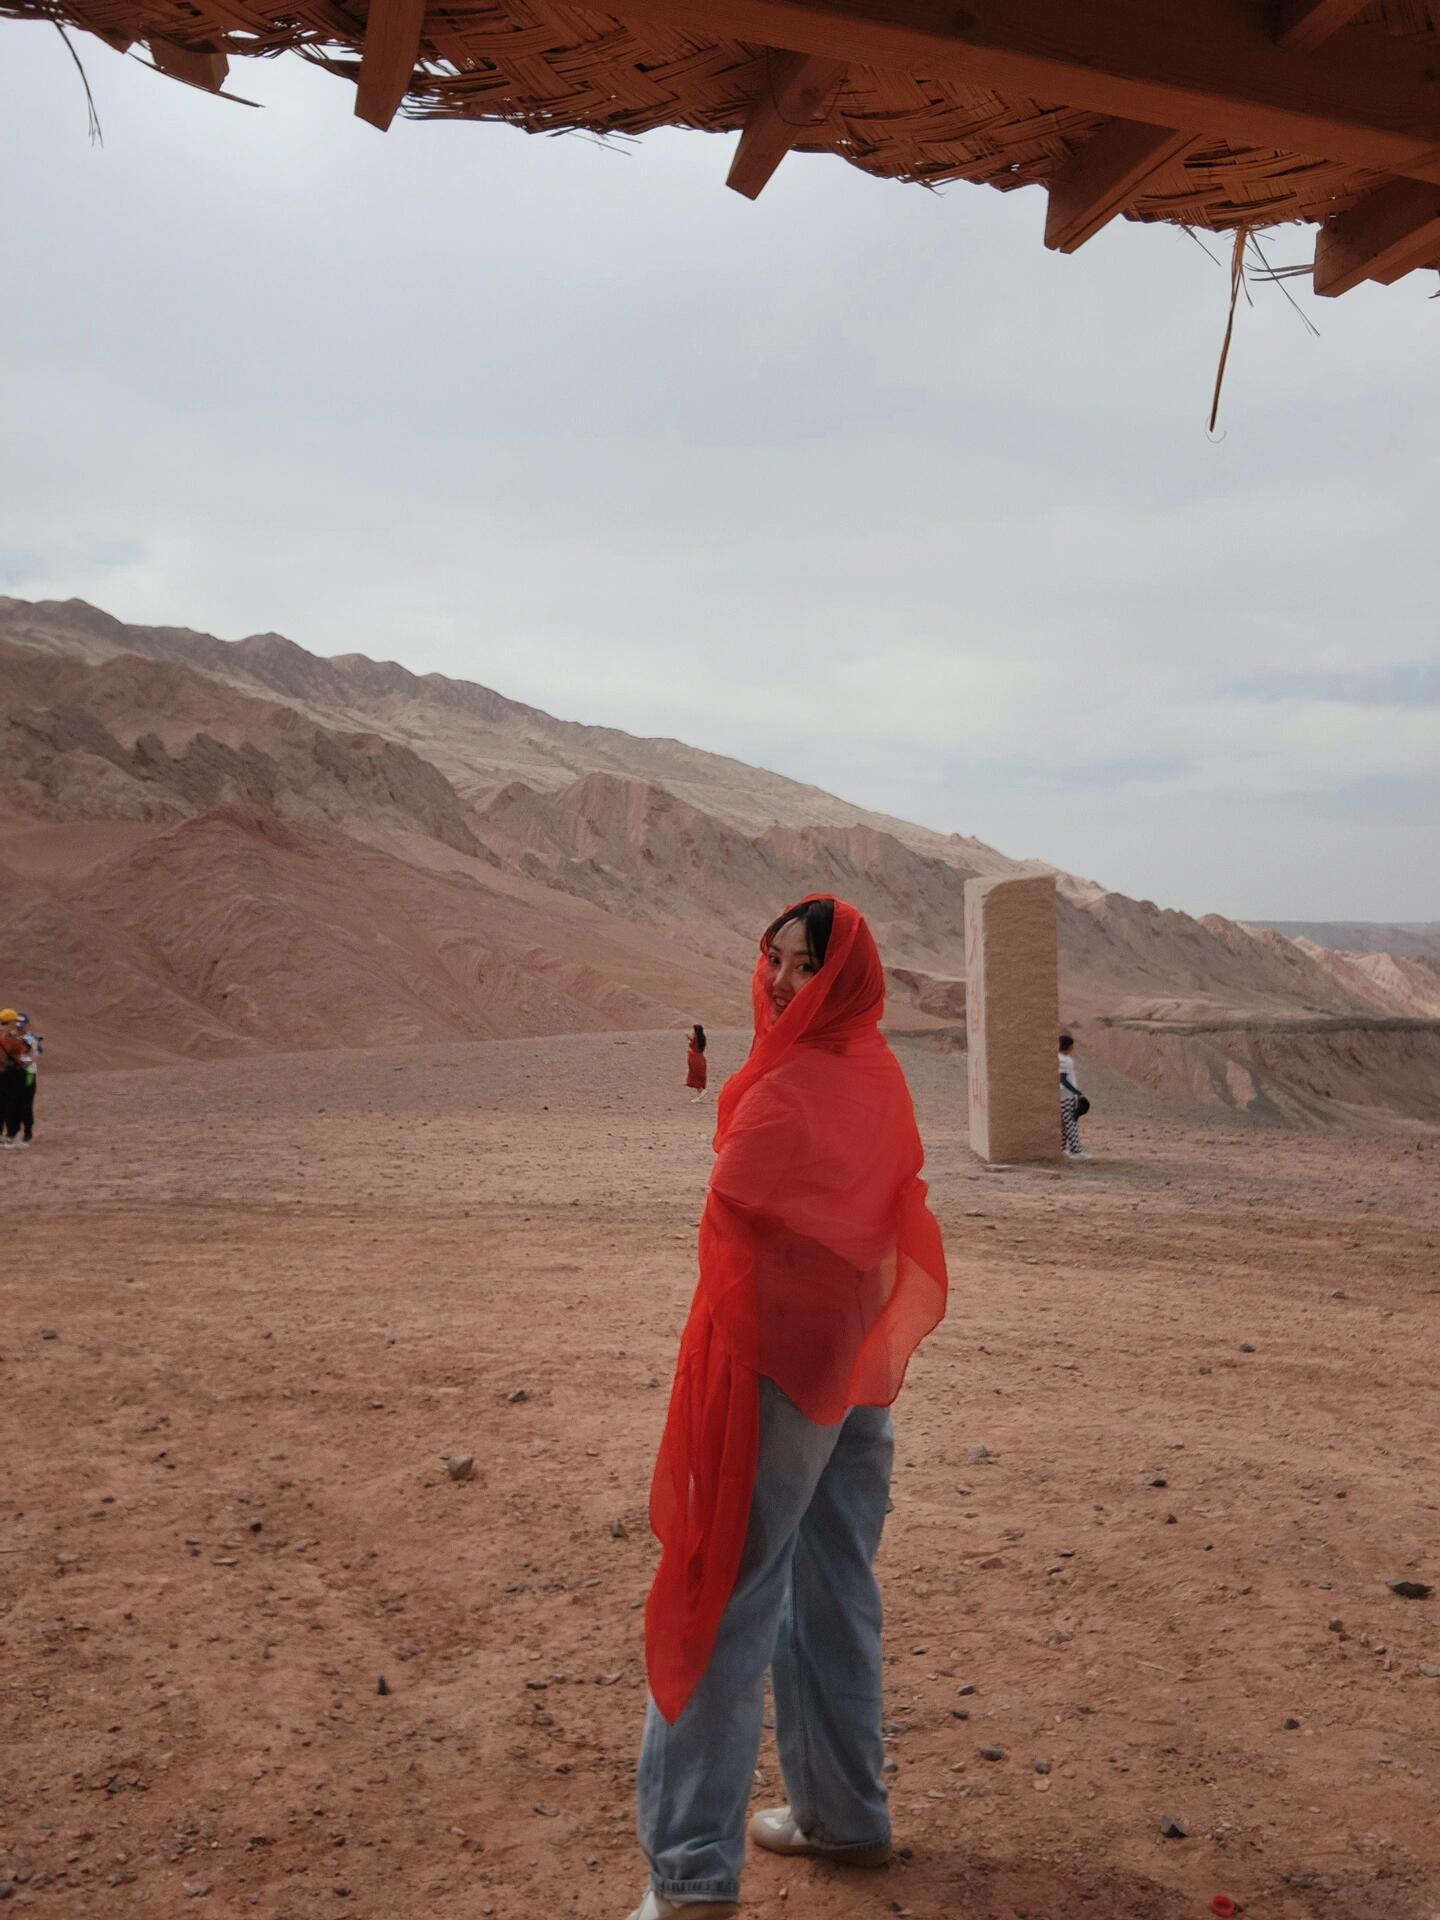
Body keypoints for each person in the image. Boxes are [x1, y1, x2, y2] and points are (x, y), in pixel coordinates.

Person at [630, 895, 949, 1920]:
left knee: (725, 1590)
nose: (777, 984)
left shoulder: (788, 1087)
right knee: (830, 1575)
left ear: (842, 977)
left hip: (781, 1370)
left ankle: (689, 1877)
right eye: (772, 960)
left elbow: (735, 1224)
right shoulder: (877, 1070)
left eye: (802, 967)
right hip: (854, 1360)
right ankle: (846, 1814)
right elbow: (889, 1207)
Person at [1059, 1032, 1090, 1160]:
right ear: (1069, 1047)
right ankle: (1075, 1150)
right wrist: (1078, 1093)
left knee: (1063, 1123)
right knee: (1071, 1122)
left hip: (1061, 1096)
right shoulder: (1065, 1060)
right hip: (1066, 1096)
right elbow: (1063, 1080)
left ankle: (1062, 1147)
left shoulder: (1057, 1058)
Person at [0, 1010, 27, 1149]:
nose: (16, 1023)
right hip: (11, 1074)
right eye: (14, 1021)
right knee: (13, 1105)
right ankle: (11, 1137)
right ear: (9, 1021)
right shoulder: (11, 1036)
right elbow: (20, 1050)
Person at [17, 1013, 41, 1145]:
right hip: (14, 1073)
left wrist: (27, 1062)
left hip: (29, 1073)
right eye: (18, 1026)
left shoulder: (31, 1038)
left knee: (26, 1102)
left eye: (22, 1025)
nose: (20, 1028)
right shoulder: (11, 1037)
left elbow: (36, 1053)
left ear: (27, 1025)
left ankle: (27, 1131)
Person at [685, 1024, 709, 1101]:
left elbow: (690, 1038)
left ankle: (702, 1091)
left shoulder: (696, 1038)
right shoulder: (701, 1038)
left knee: (694, 1076)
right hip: (699, 1058)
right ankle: (699, 1095)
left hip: (695, 1059)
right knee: (697, 1075)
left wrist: (687, 1036)